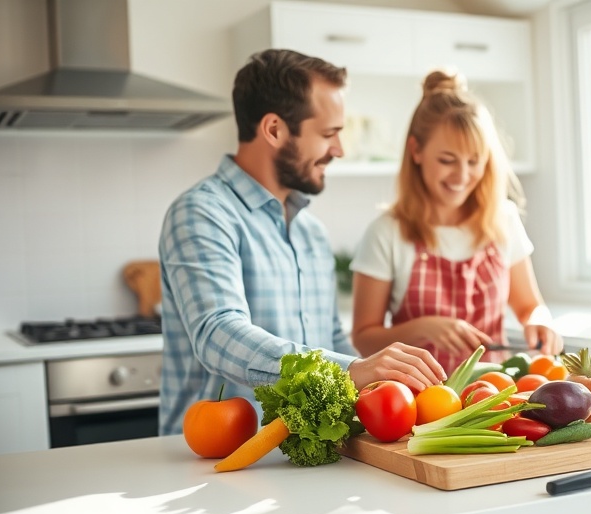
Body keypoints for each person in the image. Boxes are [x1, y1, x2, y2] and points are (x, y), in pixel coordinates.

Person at [158, 49, 445, 435]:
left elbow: (329, 338)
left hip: (300, 455)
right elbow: (218, 334)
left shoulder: (310, 231)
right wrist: (354, 370)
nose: (339, 150)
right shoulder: (201, 213)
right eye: (329, 134)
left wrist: (384, 379)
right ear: (274, 129)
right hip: (213, 459)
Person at [349, 70, 563, 374]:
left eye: (474, 161)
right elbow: (364, 339)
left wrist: (541, 322)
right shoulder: (386, 233)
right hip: (418, 404)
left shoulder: (504, 219)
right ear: (416, 151)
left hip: (491, 397)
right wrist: (423, 328)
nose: (462, 177)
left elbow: (530, 306)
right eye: (447, 160)